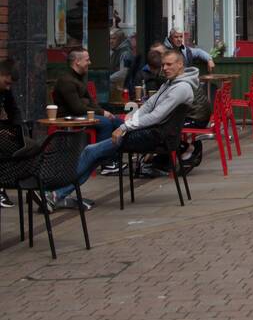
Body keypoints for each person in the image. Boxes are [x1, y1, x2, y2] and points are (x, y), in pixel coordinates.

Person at [47, 48, 200, 210]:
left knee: (91, 151)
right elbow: (148, 105)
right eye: (163, 65)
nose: (165, 68)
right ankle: (59, 194)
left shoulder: (181, 88)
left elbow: (156, 116)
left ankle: (57, 194)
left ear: (180, 64)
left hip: (156, 137)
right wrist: (131, 119)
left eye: (169, 64)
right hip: (151, 133)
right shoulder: (171, 83)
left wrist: (125, 126)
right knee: (94, 153)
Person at [54, 48, 125, 141]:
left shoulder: (79, 79)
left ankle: (116, 154)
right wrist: (102, 113)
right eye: (87, 60)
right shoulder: (66, 81)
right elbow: (77, 109)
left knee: (118, 121)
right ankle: (100, 155)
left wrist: (103, 112)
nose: (90, 63)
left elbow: (90, 101)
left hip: (81, 114)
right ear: (77, 62)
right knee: (106, 123)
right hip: (70, 118)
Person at [0, 57, 25, 208]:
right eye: (7, 83)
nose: (8, 88)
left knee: (21, 142)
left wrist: (18, 130)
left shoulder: (5, 90)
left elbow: (13, 110)